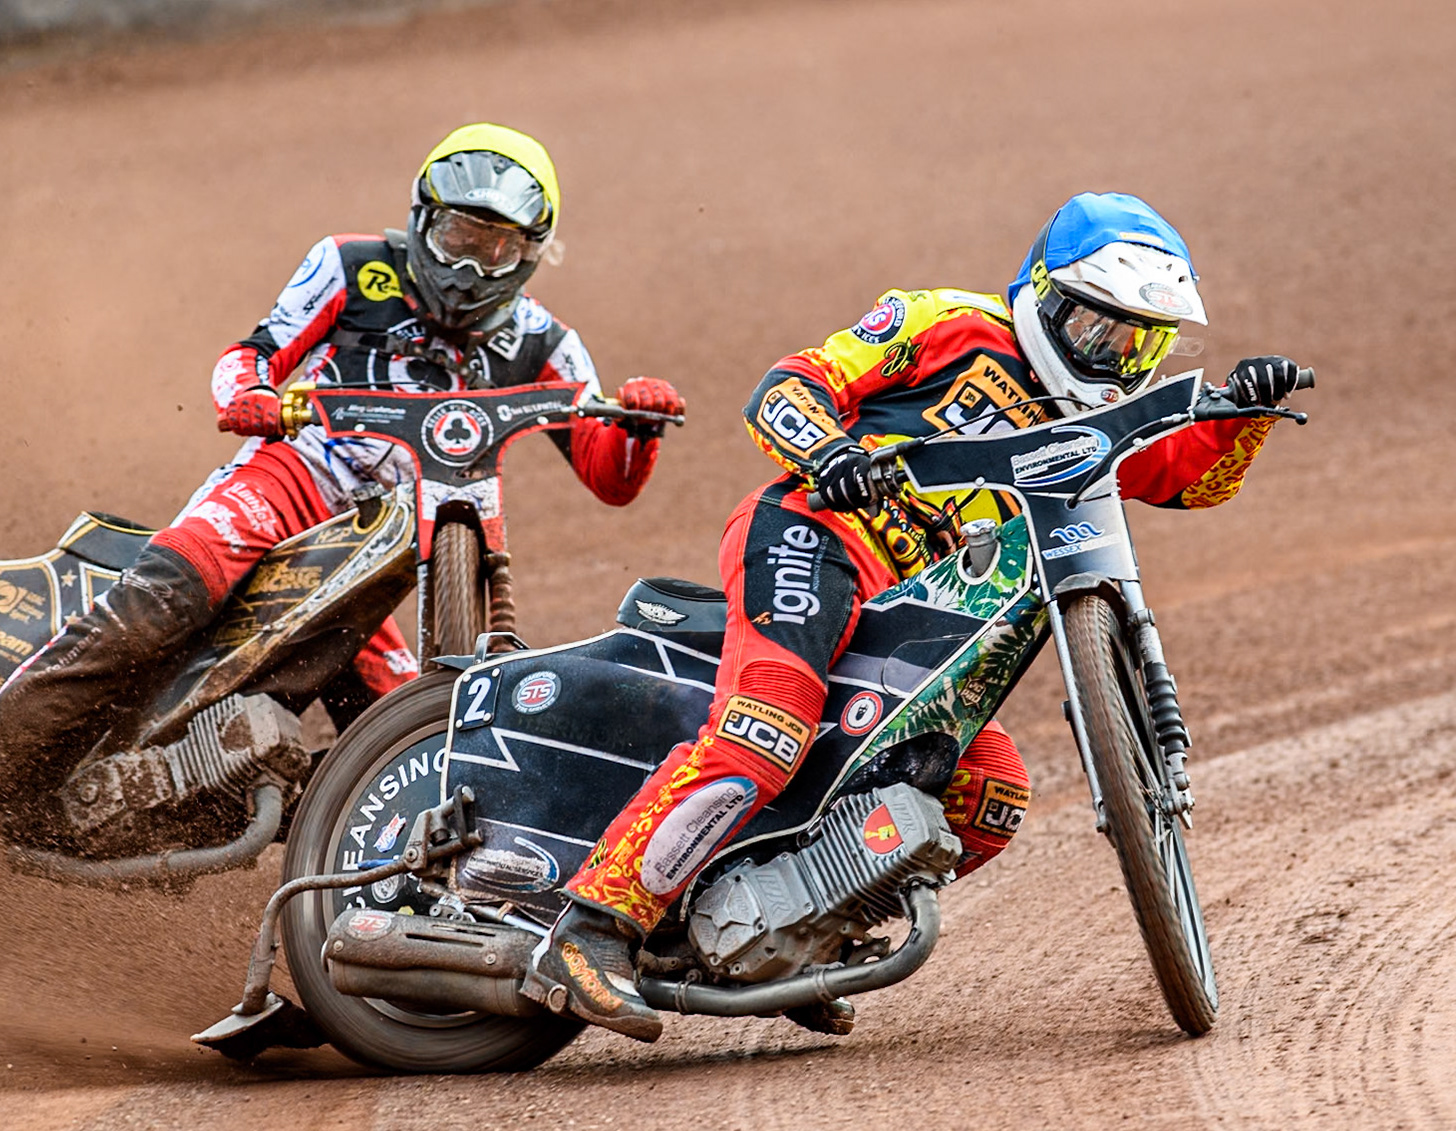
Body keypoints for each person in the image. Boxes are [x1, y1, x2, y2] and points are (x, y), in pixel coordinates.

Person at [530, 192, 1305, 1041]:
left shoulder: (1096, 415)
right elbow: (786, 387)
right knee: (769, 729)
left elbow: (1183, 476)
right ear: (1045, 296)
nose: (1115, 355)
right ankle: (593, 925)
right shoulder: (946, 323)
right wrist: (829, 451)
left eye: (1141, 342)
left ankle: (796, 933)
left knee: (988, 792)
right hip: (815, 536)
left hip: (913, 608)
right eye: (1098, 329)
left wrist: (1244, 415)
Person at [0, 122, 684, 844]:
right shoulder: (351, 266)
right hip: (291, 481)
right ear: (424, 220)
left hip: (382, 548)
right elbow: (251, 354)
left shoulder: (543, 340)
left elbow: (608, 475)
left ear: (530, 252)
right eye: (458, 237)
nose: (468, 267)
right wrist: (250, 397)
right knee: (165, 596)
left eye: (495, 247)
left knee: (406, 740)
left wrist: (640, 425)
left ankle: (242, 827)